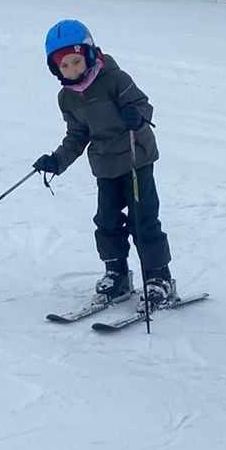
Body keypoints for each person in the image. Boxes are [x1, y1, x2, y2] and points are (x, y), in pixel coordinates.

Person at [32, 18, 176, 311]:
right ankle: (117, 274)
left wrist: (136, 116)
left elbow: (143, 104)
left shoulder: (115, 79)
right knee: (106, 221)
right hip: (104, 165)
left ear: (88, 54)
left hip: (136, 157)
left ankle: (159, 278)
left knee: (143, 220)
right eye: (64, 66)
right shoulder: (67, 98)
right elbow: (77, 136)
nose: (72, 69)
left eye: (76, 61)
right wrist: (57, 161)